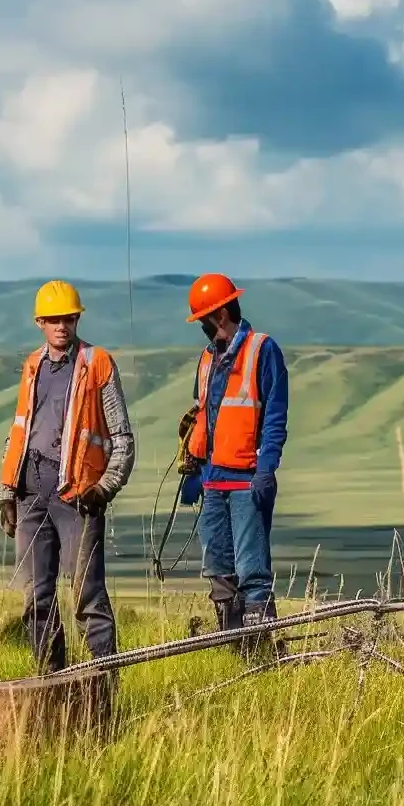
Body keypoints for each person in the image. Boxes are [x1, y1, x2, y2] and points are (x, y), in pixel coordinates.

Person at [0, 279, 133, 673]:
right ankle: (50, 683)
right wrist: (7, 492)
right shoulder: (33, 366)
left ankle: (104, 684)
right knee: (35, 598)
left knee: (87, 595)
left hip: (77, 496)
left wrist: (103, 490)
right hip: (30, 492)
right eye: (54, 320)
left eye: (69, 319)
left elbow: (122, 438)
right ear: (40, 321)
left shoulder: (98, 363)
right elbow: (19, 429)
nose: (62, 326)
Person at [176, 272, 289, 639]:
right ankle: (233, 645)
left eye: (202, 321)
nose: (202, 330)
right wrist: (194, 472)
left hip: (247, 480)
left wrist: (266, 469)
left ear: (219, 315)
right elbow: (203, 415)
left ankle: (259, 652)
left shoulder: (263, 349)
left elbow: (274, 415)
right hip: (212, 480)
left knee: (252, 570)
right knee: (219, 569)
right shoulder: (207, 360)